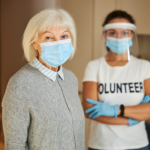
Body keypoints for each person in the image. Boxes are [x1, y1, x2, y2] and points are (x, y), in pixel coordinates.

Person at [2, 9, 85, 150]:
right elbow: (14, 145)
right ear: (34, 43)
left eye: (64, 36)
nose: (58, 43)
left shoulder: (71, 78)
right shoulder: (20, 84)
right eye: (49, 37)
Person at [83, 10, 150, 150]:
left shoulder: (144, 67)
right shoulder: (94, 66)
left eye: (125, 32)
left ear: (132, 35)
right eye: (113, 32)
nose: (119, 37)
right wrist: (134, 117)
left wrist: (116, 110)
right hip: (101, 145)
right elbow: (89, 110)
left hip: (137, 144)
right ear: (105, 35)